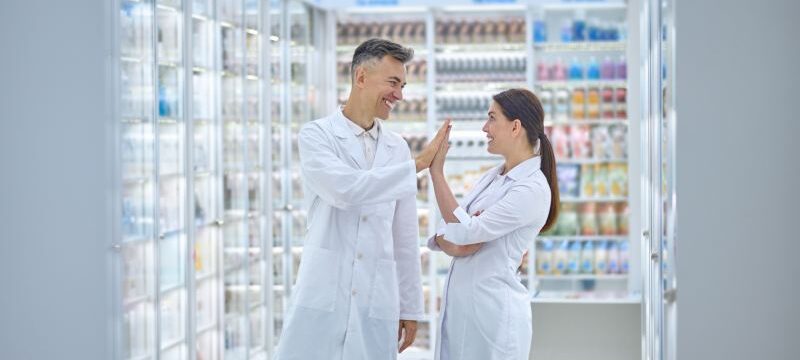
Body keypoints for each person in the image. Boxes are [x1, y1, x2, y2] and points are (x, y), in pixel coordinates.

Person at [274, 38, 451, 360]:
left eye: (403, 85)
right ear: (361, 77)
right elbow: (346, 190)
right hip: (324, 290)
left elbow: (404, 236)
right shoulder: (317, 135)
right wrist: (418, 165)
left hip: (376, 295)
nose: (399, 95)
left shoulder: (396, 147)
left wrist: (411, 307)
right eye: (393, 83)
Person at [427, 88, 560, 360]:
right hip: (465, 312)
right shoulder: (493, 176)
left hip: (494, 319)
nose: (484, 127)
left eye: (491, 118)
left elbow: (463, 230)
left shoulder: (532, 189)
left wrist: (437, 172)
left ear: (515, 127)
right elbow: (449, 227)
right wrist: (452, 238)